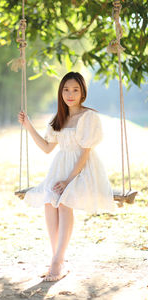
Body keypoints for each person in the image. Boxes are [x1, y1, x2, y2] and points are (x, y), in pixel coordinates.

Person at [18, 71, 116, 282]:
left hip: (83, 171)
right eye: (66, 89)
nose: (70, 94)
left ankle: (56, 262)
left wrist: (69, 180)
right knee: (49, 202)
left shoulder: (89, 116)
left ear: (83, 93)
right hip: (60, 169)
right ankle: (58, 258)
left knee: (64, 202)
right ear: (60, 92)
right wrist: (28, 126)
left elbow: (85, 153)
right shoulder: (59, 118)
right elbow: (46, 148)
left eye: (75, 90)